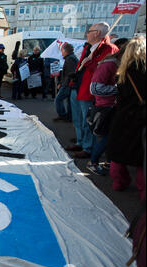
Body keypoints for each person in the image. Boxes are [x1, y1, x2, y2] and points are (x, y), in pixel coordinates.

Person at [66, 22, 119, 159]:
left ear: (96, 33)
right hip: (78, 86)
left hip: (89, 91)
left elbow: (106, 71)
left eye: (89, 31)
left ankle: (88, 147)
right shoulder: (88, 47)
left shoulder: (109, 49)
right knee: (78, 119)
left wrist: (90, 63)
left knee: (87, 121)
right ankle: (81, 141)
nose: (87, 33)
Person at [106, 36, 145, 199]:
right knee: (142, 157)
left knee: (118, 153)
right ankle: (143, 191)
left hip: (125, 117)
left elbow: (120, 97)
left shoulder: (123, 73)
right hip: (142, 117)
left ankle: (118, 182)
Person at [86, 38, 128, 176]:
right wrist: (120, 89)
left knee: (112, 136)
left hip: (113, 106)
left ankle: (108, 162)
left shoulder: (116, 64)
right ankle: (93, 162)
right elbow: (95, 88)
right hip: (106, 107)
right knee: (108, 136)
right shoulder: (109, 64)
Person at [54, 43, 78, 122]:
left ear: (65, 51)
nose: (61, 53)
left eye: (62, 51)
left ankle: (63, 115)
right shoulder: (71, 58)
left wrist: (62, 83)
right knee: (69, 101)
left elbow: (69, 73)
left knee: (58, 99)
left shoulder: (70, 59)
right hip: (69, 83)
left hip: (67, 84)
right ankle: (68, 116)